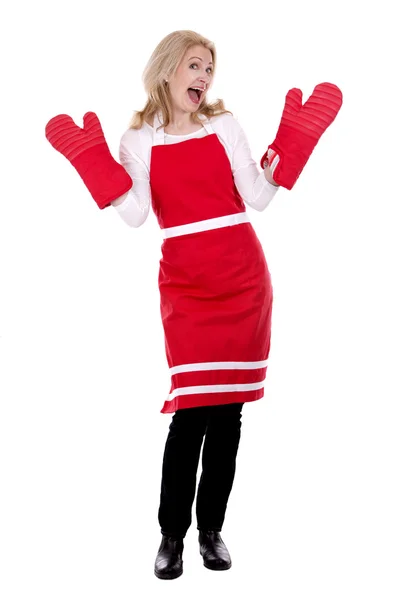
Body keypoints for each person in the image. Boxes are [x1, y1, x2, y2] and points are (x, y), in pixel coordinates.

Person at [45, 30, 343, 581]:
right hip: (186, 283)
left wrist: (292, 147)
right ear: (166, 71)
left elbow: (255, 196)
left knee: (226, 415)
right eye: (195, 66)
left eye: (210, 69)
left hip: (241, 275)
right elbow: (136, 215)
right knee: (189, 417)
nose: (204, 78)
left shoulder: (223, 125)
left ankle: (210, 532)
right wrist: (96, 167)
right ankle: (170, 536)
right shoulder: (138, 140)